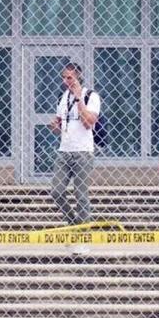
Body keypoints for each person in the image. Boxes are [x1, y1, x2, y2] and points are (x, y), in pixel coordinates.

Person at [48, 63, 101, 238]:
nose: (65, 81)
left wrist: (79, 100)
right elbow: (60, 122)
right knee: (56, 191)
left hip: (82, 152)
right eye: (63, 77)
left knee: (81, 194)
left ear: (78, 77)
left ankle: (83, 234)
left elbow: (89, 122)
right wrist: (55, 125)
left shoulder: (91, 96)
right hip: (65, 150)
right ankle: (74, 224)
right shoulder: (63, 97)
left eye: (69, 77)